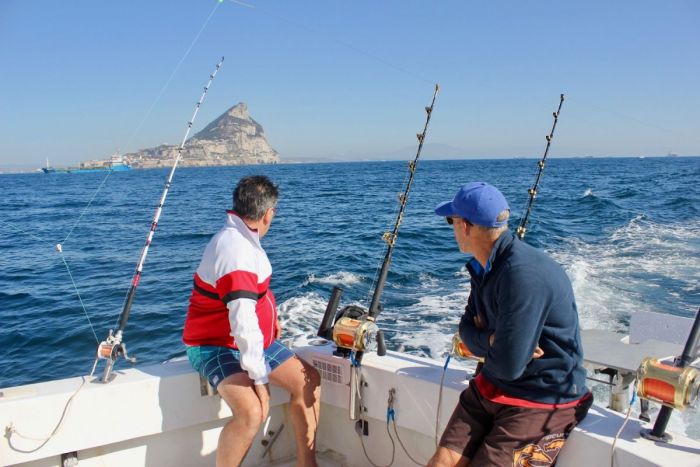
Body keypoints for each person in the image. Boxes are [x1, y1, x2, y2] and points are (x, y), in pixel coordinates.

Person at [427, 182, 592, 467]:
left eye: (450, 221)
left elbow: (508, 364)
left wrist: (488, 342)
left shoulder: (522, 275)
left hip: (541, 397)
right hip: (491, 384)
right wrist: (492, 341)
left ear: (465, 226)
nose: (451, 228)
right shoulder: (484, 267)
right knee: (442, 461)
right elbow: (466, 329)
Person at [182, 175, 321, 467]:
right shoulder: (235, 250)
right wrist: (259, 379)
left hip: (251, 338)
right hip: (214, 345)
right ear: (268, 213)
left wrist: (273, 319)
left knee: (308, 382)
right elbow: (242, 321)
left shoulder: (245, 238)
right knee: (251, 413)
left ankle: (307, 464)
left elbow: (254, 294)